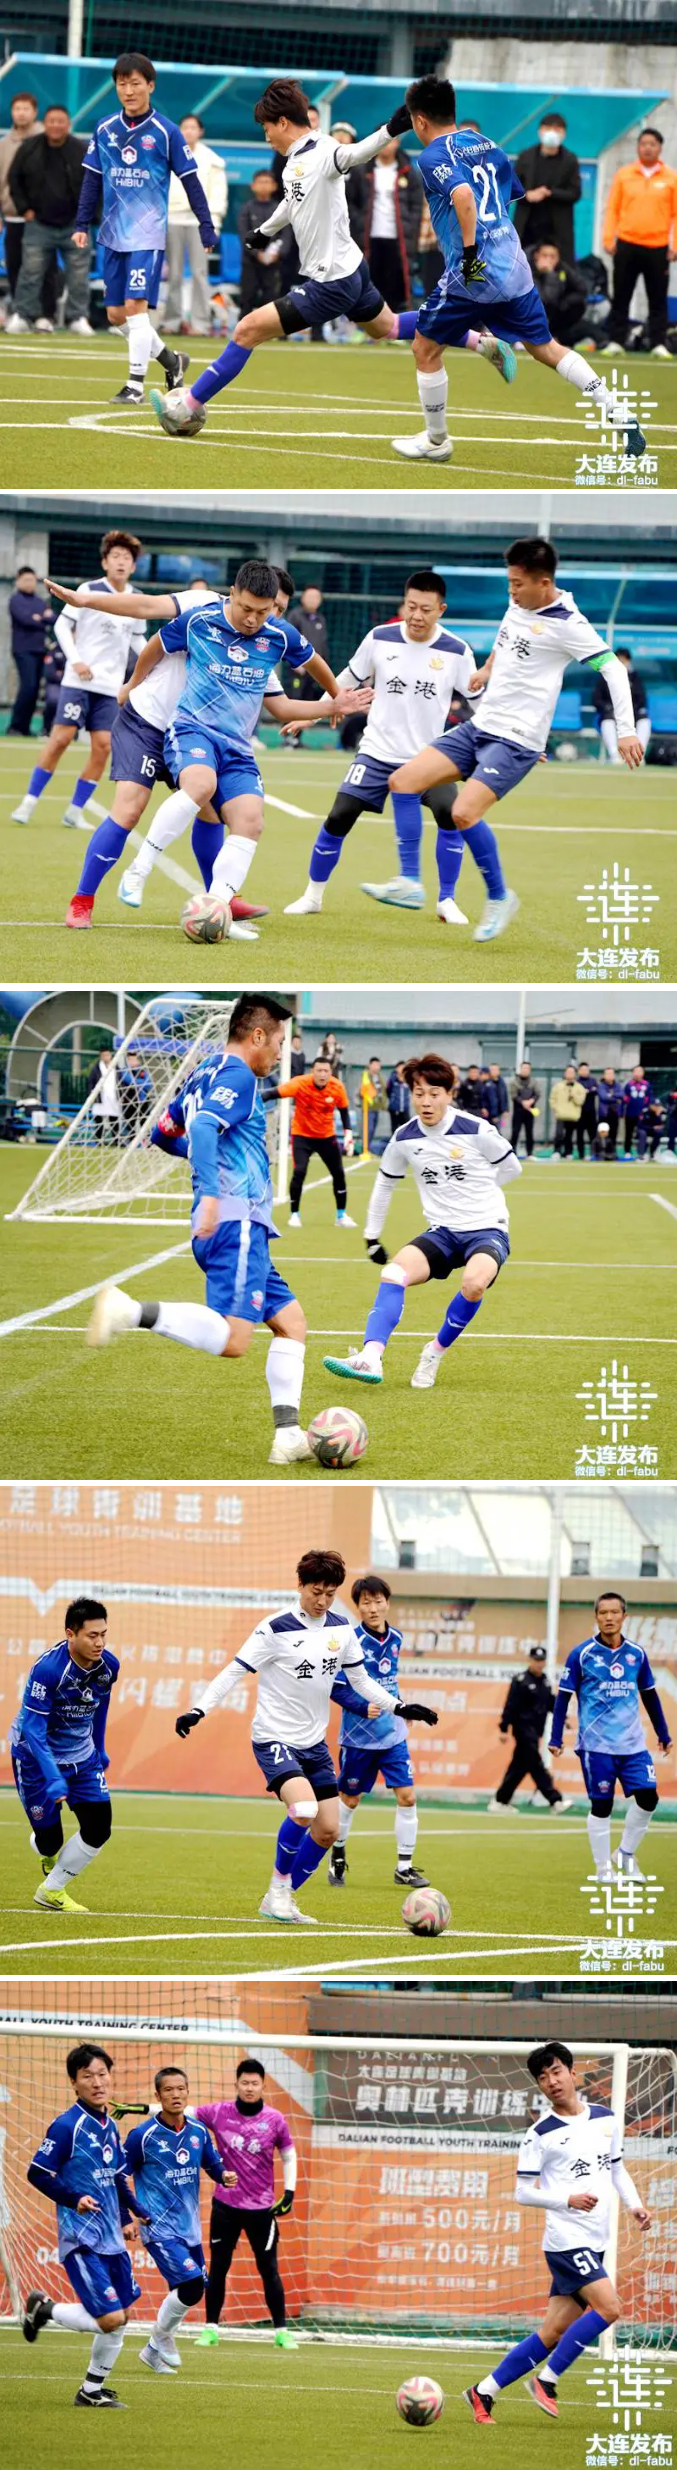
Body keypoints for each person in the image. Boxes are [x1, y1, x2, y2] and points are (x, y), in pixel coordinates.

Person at [151, 80, 512, 437]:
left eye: (266, 128)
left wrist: (391, 129)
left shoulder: (324, 151)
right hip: (352, 270)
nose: (266, 137)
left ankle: (186, 407)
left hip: (332, 282)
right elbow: (292, 201)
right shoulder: (293, 161)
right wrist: (265, 231)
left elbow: (355, 154)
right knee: (387, 328)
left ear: (282, 123)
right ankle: (481, 342)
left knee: (246, 330)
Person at [61, 560, 360, 930]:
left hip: (206, 736)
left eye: (275, 612)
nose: (263, 619)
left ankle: (219, 902)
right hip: (151, 721)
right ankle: (83, 899)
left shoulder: (266, 642)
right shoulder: (200, 606)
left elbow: (281, 704)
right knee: (130, 809)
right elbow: (145, 607)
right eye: (258, 609)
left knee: (210, 812)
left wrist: (333, 703)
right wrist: (89, 606)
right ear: (236, 593)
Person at [85, 993, 318, 1468]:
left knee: (291, 1323)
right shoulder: (238, 1075)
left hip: (235, 1227)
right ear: (257, 1035)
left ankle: (288, 1436)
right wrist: (212, 1190)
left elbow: (163, 1133)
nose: (280, 1053)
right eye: (278, 1042)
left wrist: (203, 1167)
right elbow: (207, 1127)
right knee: (234, 1341)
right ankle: (130, 1311)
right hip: (236, 1223)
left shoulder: (203, 1072)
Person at [387, 536, 643, 945]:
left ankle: (499, 897)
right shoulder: (518, 602)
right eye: (509, 583)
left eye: (518, 584)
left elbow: (612, 668)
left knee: (463, 812)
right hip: (480, 726)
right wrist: (487, 669)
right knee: (402, 781)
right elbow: (505, 638)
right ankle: (409, 881)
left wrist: (626, 729)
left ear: (544, 583)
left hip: (517, 740)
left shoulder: (568, 624)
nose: (512, 591)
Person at [391, 75, 647, 466]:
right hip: (513, 268)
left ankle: (436, 439)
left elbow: (463, 195)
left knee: (425, 348)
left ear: (420, 120)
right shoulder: (488, 144)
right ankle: (618, 411)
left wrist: (470, 252)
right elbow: (506, 197)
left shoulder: (430, 158)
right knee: (546, 348)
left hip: (472, 273)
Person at [173, 1546, 436, 1920]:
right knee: (304, 1809)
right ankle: (278, 1891)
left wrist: (400, 1707)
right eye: (316, 1592)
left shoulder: (340, 1629)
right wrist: (199, 1709)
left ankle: (280, 1898)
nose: (322, 1601)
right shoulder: (274, 1628)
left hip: (314, 1744)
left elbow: (361, 1680)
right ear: (300, 1585)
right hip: (274, 1738)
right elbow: (234, 1671)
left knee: (328, 1830)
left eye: (330, 1594)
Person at [464, 2041, 650, 2427]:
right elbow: (522, 2192)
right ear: (539, 2085)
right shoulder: (540, 2134)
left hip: (595, 2241)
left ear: (572, 2073)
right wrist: (568, 2199)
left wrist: (634, 2205)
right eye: (543, 2077)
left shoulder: (605, 2119)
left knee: (552, 2332)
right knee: (610, 2308)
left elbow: (616, 2168)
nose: (551, 2081)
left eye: (556, 2071)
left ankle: (483, 2391)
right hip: (566, 2241)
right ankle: (546, 2381)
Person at [284, 568, 477, 924]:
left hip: (429, 758)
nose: (416, 616)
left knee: (450, 815)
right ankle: (312, 895)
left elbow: (480, 702)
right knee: (339, 816)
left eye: (426, 609)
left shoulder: (457, 651)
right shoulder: (379, 638)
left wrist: (510, 738)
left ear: (441, 610)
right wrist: (312, 715)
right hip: (376, 752)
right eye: (411, 606)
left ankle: (447, 900)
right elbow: (346, 679)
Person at [324, 1049, 520, 1393]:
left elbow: (511, 1168)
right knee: (393, 1273)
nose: (426, 1102)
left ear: (449, 1094)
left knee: (474, 1284)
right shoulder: (404, 1138)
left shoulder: (477, 1129)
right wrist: (372, 1236)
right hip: (442, 1233)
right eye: (419, 1094)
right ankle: (370, 1356)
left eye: (434, 1093)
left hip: (487, 1228)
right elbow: (384, 1185)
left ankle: (434, 1352)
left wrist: (483, 1191)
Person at [73, 52, 216, 406]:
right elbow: (91, 180)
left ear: (150, 86)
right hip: (112, 234)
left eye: (135, 83)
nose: (128, 90)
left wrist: (206, 225)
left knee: (136, 307)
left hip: (147, 234)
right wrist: (81, 223)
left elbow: (191, 180)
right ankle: (172, 361)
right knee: (116, 315)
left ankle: (135, 386)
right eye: (122, 84)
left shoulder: (166, 132)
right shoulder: (105, 128)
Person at [24, 2042, 148, 2409]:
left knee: (123, 2316)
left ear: (111, 2077)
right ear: (74, 2083)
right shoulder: (67, 2126)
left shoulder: (110, 2125)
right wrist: (73, 2197)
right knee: (110, 2318)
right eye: (87, 2076)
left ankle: (91, 2391)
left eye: (102, 2074)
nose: (97, 2082)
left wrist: (128, 2217)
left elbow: (116, 2178)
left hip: (112, 2238)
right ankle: (43, 2309)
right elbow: (37, 2173)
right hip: (82, 2238)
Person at [12, 532, 144, 833]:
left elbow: (138, 640)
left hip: (110, 688)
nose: (121, 562)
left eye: (127, 558)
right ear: (105, 562)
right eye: (116, 557)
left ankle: (74, 811)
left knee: (103, 747)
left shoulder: (136, 598)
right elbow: (61, 626)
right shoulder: (88, 590)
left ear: (133, 566)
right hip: (79, 682)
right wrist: (76, 661)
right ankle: (28, 802)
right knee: (61, 738)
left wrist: (158, 658)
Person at [549, 1589, 672, 1883]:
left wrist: (663, 1733)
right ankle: (603, 1869)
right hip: (596, 1746)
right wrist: (556, 1738)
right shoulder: (581, 1655)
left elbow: (650, 1695)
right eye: (603, 1613)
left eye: (614, 1612)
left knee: (649, 1798)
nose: (609, 1618)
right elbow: (563, 1697)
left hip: (633, 1746)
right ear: (596, 1617)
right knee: (602, 1806)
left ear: (624, 1616)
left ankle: (625, 1854)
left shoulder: (636, 1654)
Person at [10, 1596, 117, 1914]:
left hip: (83, 1758)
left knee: (99, 1828)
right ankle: (45, 1849)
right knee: (50, 1842)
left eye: (103, 1634)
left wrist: (100, 1747)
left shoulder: (108, 1666)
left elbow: (100, 1706)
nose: (99, 1643)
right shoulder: (48, 1670)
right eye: (92, 1635)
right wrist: (53, 1777)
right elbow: (33, 1729)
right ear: (71, 1634)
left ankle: (52, 1889)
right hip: (35, 1759)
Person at [124, 2065, 232, 2375]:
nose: (176, 2094)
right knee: (192, 2285)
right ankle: (161, 2338)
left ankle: (152, 2351)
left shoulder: (198, 2131)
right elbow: (119, 2177)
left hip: (189, 2228)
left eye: (180, 2089)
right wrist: (125, 2215)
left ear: (187, 2092)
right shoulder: (141, 2136)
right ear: (157, 2095)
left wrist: (223, 2176)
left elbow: (211, 2164)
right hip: (158, 2228)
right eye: (168, 2090)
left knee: (191, 2292)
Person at [329, 1572, 433, 1888]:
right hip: (358, 1738)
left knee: (407, 1797)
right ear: (358, 1607)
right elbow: (335, 1688)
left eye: (377, 1601)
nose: (373, 1608)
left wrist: (402, 1708)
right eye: (366, 1603)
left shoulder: (397, 1638)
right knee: (350, 1800)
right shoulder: (351, 1642)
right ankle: (337, 1854)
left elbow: (390, 1681)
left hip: (392, 1735)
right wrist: (362, 1707)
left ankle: (404, 1867)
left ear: (387, 1602)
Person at [193, 2059, 297, 2348]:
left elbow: (288, 2154)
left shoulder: (275, 2119)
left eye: (255, 2083)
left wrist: (289, 2192)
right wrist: (144, 2109)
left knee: (269, 2269)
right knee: (218, 2267)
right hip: (225, 2206)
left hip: (262, 2209)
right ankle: (211, 2330)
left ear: (263, 2085)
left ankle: (282, 2333)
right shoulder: (218, 2112)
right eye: (245, 2083)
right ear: (236, 2084)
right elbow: (181, 2111)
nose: (249, 2088)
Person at [7, 104, 91, 335]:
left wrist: (87, 217)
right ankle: (23, 315)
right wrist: (24, 209)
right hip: (38, 223)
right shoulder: (29, 147)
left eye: (60, 121)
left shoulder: (82, 149)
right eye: (51, 121)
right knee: (30, 273)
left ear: (68, 124)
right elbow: (14, 179)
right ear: (44, 124)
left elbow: (95, 183)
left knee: (78, 275)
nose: (56, 125)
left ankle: (78, 317)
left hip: (75, 224)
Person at [602, 128, 677, 359]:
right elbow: (613, 209)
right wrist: (608, 238)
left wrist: (674, 245)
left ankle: (658, 343)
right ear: (638, 147)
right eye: (643, 143)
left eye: (652, 144)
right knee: (621, 295)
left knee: (658, 298)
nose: (647, 148)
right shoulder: (624, 175)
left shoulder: (671, 178)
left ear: (660, 148)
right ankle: (616, 341)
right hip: (626, 243)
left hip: (658, 246)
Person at [275, 1052, 355, 1228]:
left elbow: (344, 1112)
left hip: (326, 1137)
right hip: (302, 1135)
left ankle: (341, 1215)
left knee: (338, 1173)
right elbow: (275, 1092)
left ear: (330, 1072)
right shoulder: (300, 1083)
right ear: (312, 1071)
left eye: (326, 1071)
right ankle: (294, 1214)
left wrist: (348, 1134)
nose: (322, 1074)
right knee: (299, 1171)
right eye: (319, 1070)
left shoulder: (337, 1087)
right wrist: (253, 1097)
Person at [488, 1644, 570, 1812]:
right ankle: (555, 1800)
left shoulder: (545, 1681)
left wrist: (563, 1718)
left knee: (519, 1766)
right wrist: (504, 1728)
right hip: (522, 1728)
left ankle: (500, 1801)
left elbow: (550, 1702)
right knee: (536, 1764)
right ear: (530, 1660)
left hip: (536, 1730)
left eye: (541, 1660)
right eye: (536, 1660)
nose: (539, 1664)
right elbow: (510, 1705)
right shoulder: (521, 1681)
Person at [164, 113, 226, 333]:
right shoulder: (168, 154)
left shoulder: (212, 159)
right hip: (172, 218)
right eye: (184, 127)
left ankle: (201, 323)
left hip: (200, 223)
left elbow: (218, 195)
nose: (188, 131)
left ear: (200, 131)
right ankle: (171, 321)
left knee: (200, 273)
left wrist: (213, 224)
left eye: (193, 127)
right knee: (174, 274)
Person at [0, 93, 57, 325]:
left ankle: (46, 315)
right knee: (14, 265)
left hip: (41, 219)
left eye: (26, 109)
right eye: (17, 109)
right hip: (13, 216)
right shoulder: (4, 144)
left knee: (45, 267)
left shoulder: (48, 139)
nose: (21, 113)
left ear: (35, 112)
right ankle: (22, 314)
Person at [363, 135, 422, 312]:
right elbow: (352, 201)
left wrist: (411, 228)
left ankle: (396, 324)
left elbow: (416, 205)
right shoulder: (363, 169)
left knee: (397, 286)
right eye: (383, 141)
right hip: (369, 238)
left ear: (398, 143)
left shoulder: (407, 171)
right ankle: (368, 323)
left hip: (399, 238)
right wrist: (358, 225)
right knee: (369, 285)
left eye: (392, 141)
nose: (387, 146)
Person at [514, 114, 582, 265]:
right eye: (548, 128)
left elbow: (575, 193)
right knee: (522, 267)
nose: (552, 132)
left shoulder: (570, 160)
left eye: (557, 129)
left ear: (564, 133)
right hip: (527, 226)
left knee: (562, 270)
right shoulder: (525, 156)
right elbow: (510, 188)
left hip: (558, 228)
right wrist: (527, 195)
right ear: (540, 131)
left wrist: (550, 193)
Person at [237, 169, 294, 317]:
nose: (263, 186)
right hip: (251, 262)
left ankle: (271, 329)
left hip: (274, 263)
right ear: (253, 186)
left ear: (274, 186)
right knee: (247, 297)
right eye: (260, 182)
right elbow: (243, 234)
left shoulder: (280, 209)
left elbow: (287, 235)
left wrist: (278, 253)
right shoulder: (247, 209)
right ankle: (243, 327)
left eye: (267, 182)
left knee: (272, 300)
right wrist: (257, 253)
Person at [529, 242, 595, 350]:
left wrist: (565, 302)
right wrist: (550, 274)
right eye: (544, 255)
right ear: (537, 256)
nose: (548, 260)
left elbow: (582, 289)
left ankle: (559, 337)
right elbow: (544, 300)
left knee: (578, 309)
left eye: (552, 256)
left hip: (557, 317)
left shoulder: (563, 268)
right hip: (533, 315)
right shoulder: (528, 269)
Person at [7, 566, 48, 736]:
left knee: (35, 689)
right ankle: (15, 726)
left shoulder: (40, 601)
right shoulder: (15, 600)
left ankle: (25, 728)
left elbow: (51, 617)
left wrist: (39, 618)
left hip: (40, 650)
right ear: (18, 581)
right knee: (28, 686)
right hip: (23, 650)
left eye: (32, 580)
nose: (30, 583)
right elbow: (25, 619)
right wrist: (41, 618)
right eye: (26, 580)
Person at [593, 648, 651, 765]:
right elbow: (596, 700)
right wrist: (608, 708)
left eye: (624, 660)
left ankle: (638, 755)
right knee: (607, 720)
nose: (622, 663)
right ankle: (615, 756)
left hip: (632, 714)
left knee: (644, 720)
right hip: (611, 714)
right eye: (619, 660)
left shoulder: (635, 678)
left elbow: (641, 699)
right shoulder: (604, 677)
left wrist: (630, 711)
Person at [550, 1065, 586, 1158]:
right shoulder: (558, 1086)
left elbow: (580, 1101)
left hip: (573, 1115)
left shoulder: (579, 1087)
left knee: (569, 1135)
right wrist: (556, 1109)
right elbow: (552, 1099)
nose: (569, 1074)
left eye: (572, 1072)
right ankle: (557, 1151)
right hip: (561, 1114)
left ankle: (568, 1152)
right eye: (568, 1072)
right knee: (559, 1134)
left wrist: (573, 1094)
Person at [87, 1045, 121, 1144]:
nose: (106, 1057)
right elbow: (91, 1082)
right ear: (101, 1056)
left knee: (114, 1119)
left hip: (113, 1097)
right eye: (104, 1055)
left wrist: (120, 1095)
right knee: (99, 1120)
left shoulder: (116, 1068)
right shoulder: (96, 1068)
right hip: (100, 1097)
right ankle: (98, 1140)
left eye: (108, 1055)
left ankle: (116, 1140)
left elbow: (120, 1082)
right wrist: (92, 1095)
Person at [623, 1065, 653, 1157]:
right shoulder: (629, 1085)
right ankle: (627, 1151)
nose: (637, 1074)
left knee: (642, 1133)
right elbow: (625, 1099)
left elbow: (649, 1099)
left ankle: (642, 1152)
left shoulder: (647, 1085)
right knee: (628, 1133)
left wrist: (646, 1111)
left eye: (639, 1071)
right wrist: (622, 1112)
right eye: (635, 1071)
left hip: (642, 1114)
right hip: (630, 1113)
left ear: (643, 1073)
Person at [510, 1063, 540, 1157]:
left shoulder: (534, 1082)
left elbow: (537, 1094)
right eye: (524, 1068)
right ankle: (512, 1153)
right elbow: (514, 1095)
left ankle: (530, 1153)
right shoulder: (515, 1082)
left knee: (529, 1132)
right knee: (515, 1132)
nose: (525, 1070)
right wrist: (522, 1102)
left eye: (527, 1068)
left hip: (530, 1112)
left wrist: (531, 1101)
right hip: (518, 1111)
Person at [596, 1065, 623, 1159]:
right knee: (602, 1134)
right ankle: (600, 1153)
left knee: (613, 1134)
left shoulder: (618, 1085)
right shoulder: (601, 1086)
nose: (610, 1075)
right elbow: (604, 1097)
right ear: (604, 1075)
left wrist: (611, 1095)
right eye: (608, 1074)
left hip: (615, 1113)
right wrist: (615, 1098)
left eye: (611, 1073)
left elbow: (621, 1095)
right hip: (604, 1114)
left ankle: (612, 1153)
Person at [362, 1056, 387, 1152]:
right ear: (370, 1065)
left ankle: (367, 1148)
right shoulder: (366, 1076)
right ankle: (364, 1149)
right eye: (375, 1065)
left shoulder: (379, 1077)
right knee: (369, 1129)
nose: (377, 1067)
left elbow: (382, 1092)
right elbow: (362, 1091)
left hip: (377, 1107)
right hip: (368, 1107)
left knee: (372, 1130)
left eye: (378, 1065)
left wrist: (383, 1105)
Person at [574, 1062, 598, 1158]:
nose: (584, 1071)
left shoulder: (593, 1081)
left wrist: (587, 1091)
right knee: (579, 1134)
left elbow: (595, 1090)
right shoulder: (576, 1082)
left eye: (586, 1069)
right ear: (578, 1071)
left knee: (592, 1134)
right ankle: (581, 1154)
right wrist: (586, 1091)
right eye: (582, 1069)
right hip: (579, 1112)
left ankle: (593, 1154)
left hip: (591, 1112)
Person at [386, 1062, 411, 1134]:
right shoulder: (392, 1079)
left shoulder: (408, 1079)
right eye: (400, 1067)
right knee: (395, 1129)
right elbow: (388, 1091)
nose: (402, 1069)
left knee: (406, 1128)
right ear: (396, 1069)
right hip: (394, 1109)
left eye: (403, 1067)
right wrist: (393, 1101)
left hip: (405, 1109)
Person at [488, 1062, 509, 1128]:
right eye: (492, 1070)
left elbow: (505, 1096)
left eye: (496, 1069)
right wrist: (493, 1115)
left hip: (500, 1113)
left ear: (499, 1071)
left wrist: (506, 1109)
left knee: (498, 1129)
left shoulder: (502, 1083)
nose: (494, 1071)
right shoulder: (487, 1083)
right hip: (489, 1113)